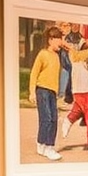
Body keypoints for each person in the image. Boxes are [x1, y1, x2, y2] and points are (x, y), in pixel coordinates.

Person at [27, 26, 64, 161]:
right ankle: (47, 146)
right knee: (46, 118)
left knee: (54, 119)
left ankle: (44, 144)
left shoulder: (57, 56)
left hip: (52, 92)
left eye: (61, 38)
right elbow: (34, 73)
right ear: (50, 40)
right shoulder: (43, 54)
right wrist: (32, 92)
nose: (61, 41)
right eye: (58, 38)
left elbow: (59, 75)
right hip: (42, 89)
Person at [60, 35, 88, 151]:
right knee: (79, 111)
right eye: (87, 42)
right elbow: (78, 56)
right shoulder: (74, 54)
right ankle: (69, 120)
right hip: (78, 90)